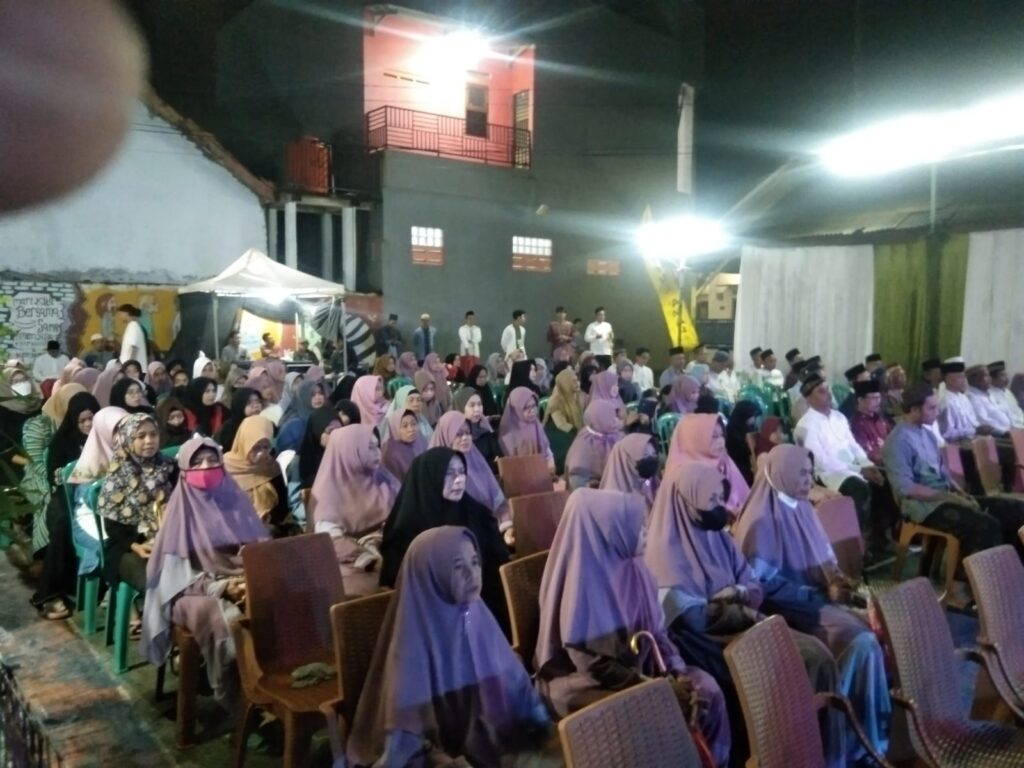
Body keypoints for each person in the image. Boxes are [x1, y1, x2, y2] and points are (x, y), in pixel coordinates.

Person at [645, 461, 842, 767]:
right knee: (802, 659)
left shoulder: (719, 538)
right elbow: (692, 618)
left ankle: (821, 754)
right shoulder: (663, 552)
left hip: (745, 626)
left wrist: (737, 593)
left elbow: (753, 585)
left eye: (720, 498)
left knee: (816, 655)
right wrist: (742, 611)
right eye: (710, 499)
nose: (719, 507)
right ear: (686, 502)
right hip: (707, 641)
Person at [534, 488, 730, 766]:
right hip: (591, 682)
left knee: (707, 690)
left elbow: (658, 634)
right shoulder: (581, 584)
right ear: (611, 533)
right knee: (656, 719)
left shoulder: (636, 568)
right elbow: (594, 666)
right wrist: (654, 688)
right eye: (637, 527)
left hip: (643, 667)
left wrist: (675, 672)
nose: (646, 532)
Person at [732, 444, 891, 761]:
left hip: (816, 599)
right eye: (801, 473)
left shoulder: (802, 507)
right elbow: (764, 587)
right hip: (786, 611)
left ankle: (865, 733)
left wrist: (836, 580)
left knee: (880, 623)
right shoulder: (761, 521)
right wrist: (813, 593)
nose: (808, 480)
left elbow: (825, 559)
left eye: (810, 473)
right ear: (782, 473)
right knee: (860, 641)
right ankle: (846, 738)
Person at [349, 526, 548, 767]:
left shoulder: (475, 614)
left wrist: (537, 720)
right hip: (450, 753)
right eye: (458, 567)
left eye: (475, 562)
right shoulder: (411, 646)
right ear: (432, 576)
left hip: (495, 740)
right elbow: (408, 743)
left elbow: (513, 681)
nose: (472, 574)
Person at [140, 437, 265, 711]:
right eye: (197, 463)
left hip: (238, 576)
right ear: (185, 470)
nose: (206, 467)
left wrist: (250, 570)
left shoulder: (235, 499)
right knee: (222, 618)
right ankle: (236, 697)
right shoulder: (180, 512)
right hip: (191, 588)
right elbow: (173, 577)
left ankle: (271, 684)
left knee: (281, 598)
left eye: (212, 460)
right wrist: (222, 587)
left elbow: (259, 545)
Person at [883, 383, 1024, 568]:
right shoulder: (897, 441)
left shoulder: (927, 434)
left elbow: (943, 473)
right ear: (915, 410)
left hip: (946, 497)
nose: (937, 412)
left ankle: (1014, 572)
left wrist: (960, 494)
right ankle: (975, 578)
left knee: (1016, 510)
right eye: (932, 408)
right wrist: (948, 497)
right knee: (986, 525)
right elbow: (906, 488)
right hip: (923, 506)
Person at [378, 449, 510, 631]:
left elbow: (498, 567)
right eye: (449, 474)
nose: (459, 480)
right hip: (432, 620)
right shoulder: (407, 529)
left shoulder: (478, 515)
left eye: (461, 472)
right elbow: (402, 588)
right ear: (430, 477)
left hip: (485, 613)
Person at [794, 374, 889, 560]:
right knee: (859, 490)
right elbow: (822, 461)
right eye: (821, 391)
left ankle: (877, 539)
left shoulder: (839, 417)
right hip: (829, 474)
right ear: (808, 398)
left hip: (852, 468)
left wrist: (868, 465)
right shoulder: (805, 426)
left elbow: (854, 445)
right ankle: (854, 547)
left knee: (884, 482)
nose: (828, 394)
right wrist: (860, 470)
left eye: (828, 389)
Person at [30, 390, 100, 619]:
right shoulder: (62, 441)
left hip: (97, 495)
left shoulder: (105, 438)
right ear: (73, 420)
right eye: (83, 420)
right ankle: (50, 594)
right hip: (66, 495)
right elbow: (55, 477)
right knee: (62, 523)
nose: (88, 424)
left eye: (92, 418)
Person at [309, 424, 400, 595]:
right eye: (369, 448)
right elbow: (332, 543)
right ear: (348, 452)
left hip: (387, 547)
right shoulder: (327, 492)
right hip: (352, 561)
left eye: (377, 446)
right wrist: (369, 555)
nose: (377, 453)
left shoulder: (382, 477)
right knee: (370, 586)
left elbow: (402, 511)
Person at [98, 413, 176, 594]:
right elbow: (113, 528)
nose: (149, 441)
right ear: (128, 439)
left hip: (169, 539)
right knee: (154, 583)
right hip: (128, 546)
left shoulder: (169, 466)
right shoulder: (117, 474)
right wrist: (136, 546)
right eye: (141, 436)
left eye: (153, 434)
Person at [429, 412, 512, 539]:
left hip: (489, 532)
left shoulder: (476, 461)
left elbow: (499, 503)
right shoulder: (436, 471)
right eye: (458, 434)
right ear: (446, 436)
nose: (465, 438)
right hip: (457, 539)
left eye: (468, 433)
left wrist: (507, 527)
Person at [666, 413, 751, 516]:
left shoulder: (723, 461)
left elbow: (745, 497)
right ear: (694, 439)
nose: (721, 441)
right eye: (714, 436)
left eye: (722, 435)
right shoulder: (685, 476)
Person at [223, 415, 288, 528]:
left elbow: (283, 508)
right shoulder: (225, 468)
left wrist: (268, 518)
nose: (262, 453)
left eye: (266, 447)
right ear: (244, 443)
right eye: (256, 448)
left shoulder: (272, 468)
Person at [565, 400, 625, 490]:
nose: (617, 420)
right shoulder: (585, 443)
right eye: (613, 417)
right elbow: (577, 481)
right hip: (594, 493)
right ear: (601, 419)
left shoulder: (616, 436)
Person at [598, 433, 660, 513]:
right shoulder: (613, 500)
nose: (651, 459)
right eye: (645, 455)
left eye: (654, 454)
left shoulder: (649, 481)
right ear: (626, 460)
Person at [498, 387, 554, 472]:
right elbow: (509, 462)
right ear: (515, 409)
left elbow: (547, 452)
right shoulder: (508, 432)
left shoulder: (536, 424)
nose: (532, 411)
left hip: (542, 472)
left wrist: (550, 469)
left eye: (533, 406)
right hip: (519, 474)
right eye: (526, 408)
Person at [543, 367, 582, 476]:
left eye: (577, 380)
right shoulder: (555, 401)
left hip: (572, 431)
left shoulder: (578, 396)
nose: (577, 383)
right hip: (558, 435)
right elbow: (561, 425)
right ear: (566, 383)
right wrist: (579, 433)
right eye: (574, 381)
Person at [453, 387, 503, 470]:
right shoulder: (454, 435)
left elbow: (500, 460)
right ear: (461, 407)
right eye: (472, 405)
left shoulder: (486, 432)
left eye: (479, 404)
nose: (477, 409)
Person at [297, 406, 341, 489]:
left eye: (340, 430)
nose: (337, 436)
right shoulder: (302, 462)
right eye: (331, 431)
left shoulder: (348, 452)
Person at [849, 379, 889, 465]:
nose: (878, 401)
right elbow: (868, 455)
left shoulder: (880, 418)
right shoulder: (856, 424)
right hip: (878, 466)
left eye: (879, 397)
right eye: (874, 398)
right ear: (860, 400)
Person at [380, 408, 427, 481]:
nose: (411, 429)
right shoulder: (389, 453)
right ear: (394, 427)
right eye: (405, 426)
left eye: (413, 424)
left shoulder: (421, 441)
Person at [724, 400, 763, 487]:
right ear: (745, 414)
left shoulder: (749, 428)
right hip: (740, 471)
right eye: (753, 416)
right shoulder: (731, 432)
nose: (754, 419)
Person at [966, 363, 1011, 435]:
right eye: (986, 376)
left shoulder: (988, 394)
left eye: (989, 375)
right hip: (999, 436)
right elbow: (984, 422)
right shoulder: (973, 398)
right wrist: (1005, 433)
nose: (989, 379)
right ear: (974, 380)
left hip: (1009, 430)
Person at [214, 387, 262, 452]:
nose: (256, 406)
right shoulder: (229, 428)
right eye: (249, 403)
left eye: (258, 401)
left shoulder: (263, 424)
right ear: (240, 405)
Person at [989, 360, 1024, 429]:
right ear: (992, 379)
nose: (1007, 378)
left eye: (1006, 375)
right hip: (1010, 429)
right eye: (1002, 375)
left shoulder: (1007, 392)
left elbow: (1018, 411)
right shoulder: (990, 395)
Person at [117, 304, 148, 368]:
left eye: (120, 314)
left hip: (132, 368)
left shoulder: (133, 326)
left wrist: (129, 365)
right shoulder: (133, 325)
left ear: (126, 313)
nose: (119, 317)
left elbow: (133, 347)